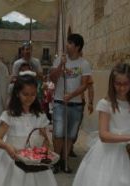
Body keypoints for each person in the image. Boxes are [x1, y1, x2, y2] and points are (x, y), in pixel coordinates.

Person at [73, 63, 130, 186]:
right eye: (118, 84)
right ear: (112, 83)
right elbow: (104, 135)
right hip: (109, 153)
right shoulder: (106, 103)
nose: (122, 88)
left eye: (125, 84)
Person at [0, 73, 58, 186]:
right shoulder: (10, 115)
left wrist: (46, 145)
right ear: (17, 93)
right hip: (13, 160)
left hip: (34, 161)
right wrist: (7, 147)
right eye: (25, 94)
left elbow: (45, 139)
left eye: (33, 94)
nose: (29, 98)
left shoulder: (40, 116)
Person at [49, 33, 92, 173]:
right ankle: (55, 160)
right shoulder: (59, 61)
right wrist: (61, 65)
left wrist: (72, 95)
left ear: (77, 46)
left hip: (76, 104)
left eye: (69, 43)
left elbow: (85, 85)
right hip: (60, 102)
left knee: (71, 134)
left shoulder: (84, 64)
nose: (66, 45)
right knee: (58, 133)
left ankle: (64, 160)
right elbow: (52, 78)